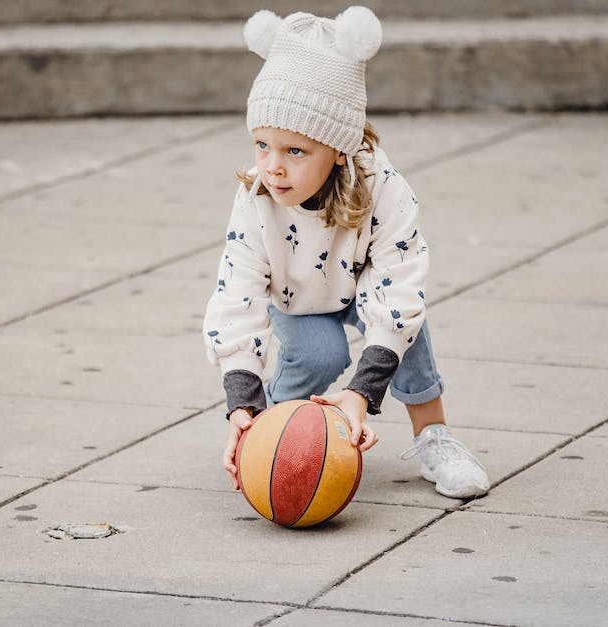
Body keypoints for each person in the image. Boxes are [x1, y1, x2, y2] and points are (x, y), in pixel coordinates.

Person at [202, 6, 489, 499]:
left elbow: (398, 288)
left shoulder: (384, 187)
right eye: (261, 145)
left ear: (338, 148)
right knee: (319, 353)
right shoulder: (256, 201)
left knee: (406, 329)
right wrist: (241, 406)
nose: (273, 167)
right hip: (297, 298)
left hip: (364, 286)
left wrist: (361, 395)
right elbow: (237, 299)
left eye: (295, 151)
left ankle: (434, 436)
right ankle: (271, 431)